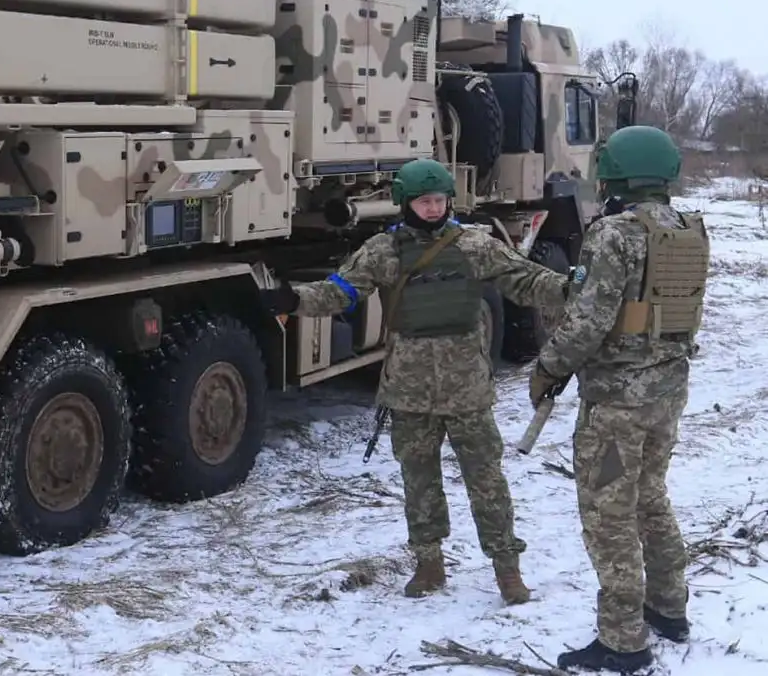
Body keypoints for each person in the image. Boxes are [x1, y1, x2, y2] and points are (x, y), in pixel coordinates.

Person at [260, 159, 568, 605]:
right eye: (424, 201)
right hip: (409, 388)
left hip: (467, 389)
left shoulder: (474, 245)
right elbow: (341, 291)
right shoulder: (383, 251)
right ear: (407, 202)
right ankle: (429, 563)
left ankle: (507, 568)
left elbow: (527, 280)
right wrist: (294, 299)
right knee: (419, 480)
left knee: (487, 480)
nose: (432, 208)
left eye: (439, 200)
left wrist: (573, 286)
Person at [530, 125, 708, 673]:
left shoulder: (614, 233)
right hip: (667, 391)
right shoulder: (687, 229)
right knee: (651, 497)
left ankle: (623, 641)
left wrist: (548, 368)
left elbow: (587, 322)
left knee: (609, 517)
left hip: (617, 403)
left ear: (614, 175)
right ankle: (668, 608)